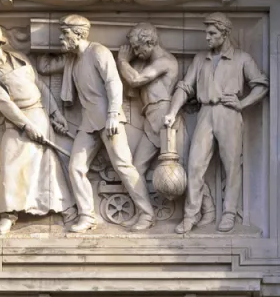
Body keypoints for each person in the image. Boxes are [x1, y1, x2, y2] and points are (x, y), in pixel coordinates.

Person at [38, 15, 155, 233]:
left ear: (79, 34)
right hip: (89, 123)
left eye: (65, 33)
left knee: (123, 166)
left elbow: (113, 83)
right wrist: (39, 42)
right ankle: (87, 216)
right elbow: (44, 67)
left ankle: (147, 214)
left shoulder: (98, 52)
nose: (61, 38)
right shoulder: (72, 59)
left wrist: (113, 114)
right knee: (76, 167)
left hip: (109, 121)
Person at [164, 12, 268, 234]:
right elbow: (185, 87)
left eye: (212, 33)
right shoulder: (200, 59)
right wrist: (172, 111)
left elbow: (261, 84)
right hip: (205, 112)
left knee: (232, 165)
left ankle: (229, 213)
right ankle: (191, 215)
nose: (207, 37)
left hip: (229, 113)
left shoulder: (242, 58)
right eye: (207, 33)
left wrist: (243, 103)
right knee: (194, 164)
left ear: (225, 33)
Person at [0, 21, 76, 235]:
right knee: (11, 166)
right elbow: (5, 104)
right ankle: (8, 214)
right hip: (16, 122)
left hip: (40, 114)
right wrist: (27, 126)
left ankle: (66, 208)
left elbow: (40, 86)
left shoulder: (19, 58)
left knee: (48, 165)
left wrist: (55, 113)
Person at [116, 22, 215, 227]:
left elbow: (136, 80)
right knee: (136, 168)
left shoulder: (166, 61)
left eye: (137, 48)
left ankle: (208, 209)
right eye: (133, 49)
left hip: (167, 121)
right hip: (151, 120)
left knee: (186, 169)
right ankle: (145, 215)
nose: (136, 52)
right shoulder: (146, 63)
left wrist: (122, 60)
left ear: (149, 42)